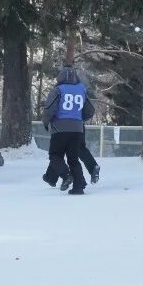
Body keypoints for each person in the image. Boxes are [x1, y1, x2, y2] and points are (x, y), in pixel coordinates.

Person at [41, 66, 88, 195]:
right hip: (78, 129)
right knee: (73, 158)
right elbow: (89, 109)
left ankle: (66, 175)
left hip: (60, 128)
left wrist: (45, 122)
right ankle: (78, 187)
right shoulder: (81, 89)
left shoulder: (58, 90)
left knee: (55, 155)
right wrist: (79, 119)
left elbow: (50, 109)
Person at [43, 94, 99, 187]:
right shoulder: (79, 89)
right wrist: (80, 118)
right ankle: (51, 177)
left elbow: (52, 108)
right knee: (77, 151)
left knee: (59, 153)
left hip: (62, 125)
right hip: (78, 124)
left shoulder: (60, 89)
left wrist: (47, 119)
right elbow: (89, 110)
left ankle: (54, 177)